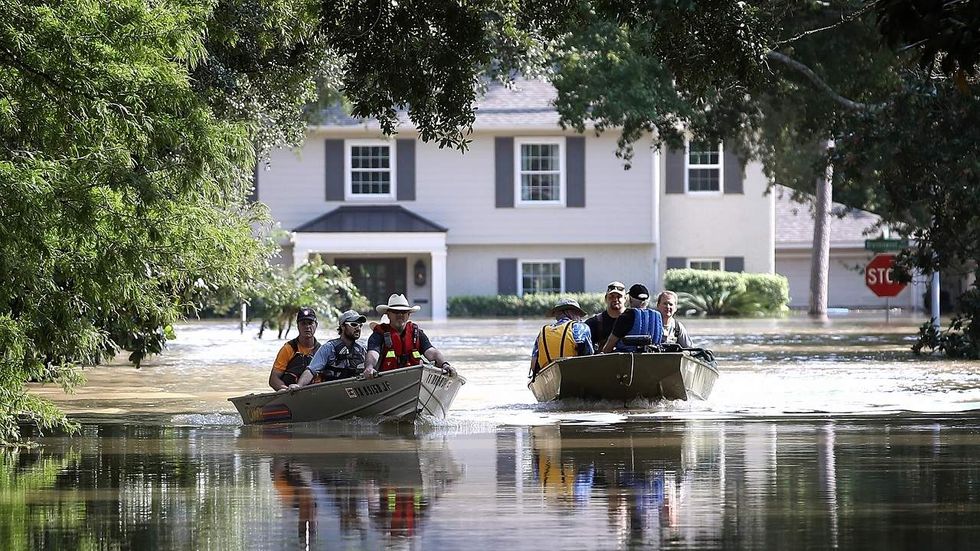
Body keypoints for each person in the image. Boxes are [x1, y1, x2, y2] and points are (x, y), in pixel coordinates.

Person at [363, 294, 455, 377]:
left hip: (414, 375)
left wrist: (445, 364)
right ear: (388, 314)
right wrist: (369, 367)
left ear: (408, 314)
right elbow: (373, 353)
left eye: (403, 312)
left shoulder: (417, 333)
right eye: (395, 312)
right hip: (387, 377)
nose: (400, 315)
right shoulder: (378, 335)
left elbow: (432, 352)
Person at [293, 310, 368, 388]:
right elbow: (311, 370)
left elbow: (371, 368)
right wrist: (299, 385)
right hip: (334, 389)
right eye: (354, 324)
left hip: (357, 388)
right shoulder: (328, 348)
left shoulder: (363, 348)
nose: (358, 328)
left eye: (360, 325)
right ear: (342, 326)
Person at [529, 297, 594, 377]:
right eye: (578, 314)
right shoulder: (580, 327)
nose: (580, 318)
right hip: (574, 373)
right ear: (571, 312)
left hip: (549, 376)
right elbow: (589, 357)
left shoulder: (543, 331)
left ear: (557, 314)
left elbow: (533, 365)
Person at [269, 307, 321, 391]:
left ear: (316, 325)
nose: (307, 327)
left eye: (310, 323)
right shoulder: (288, 349)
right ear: (298, 326)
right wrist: (287, 390)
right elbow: (273, 380)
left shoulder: (322, 351)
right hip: (291, 392)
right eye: (303, 323)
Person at [600, 284, 664, 353]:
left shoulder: (626, 316)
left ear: (630, 299)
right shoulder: (657, 316)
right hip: (652, 358)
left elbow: (608, 348)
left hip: (627, 358)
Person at [585, 281, 628, 350]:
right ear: (605, 298)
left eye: (619, 296)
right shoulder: (594, 323)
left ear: (625, 299)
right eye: (612, 296)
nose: (615, 299)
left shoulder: (633, 320)